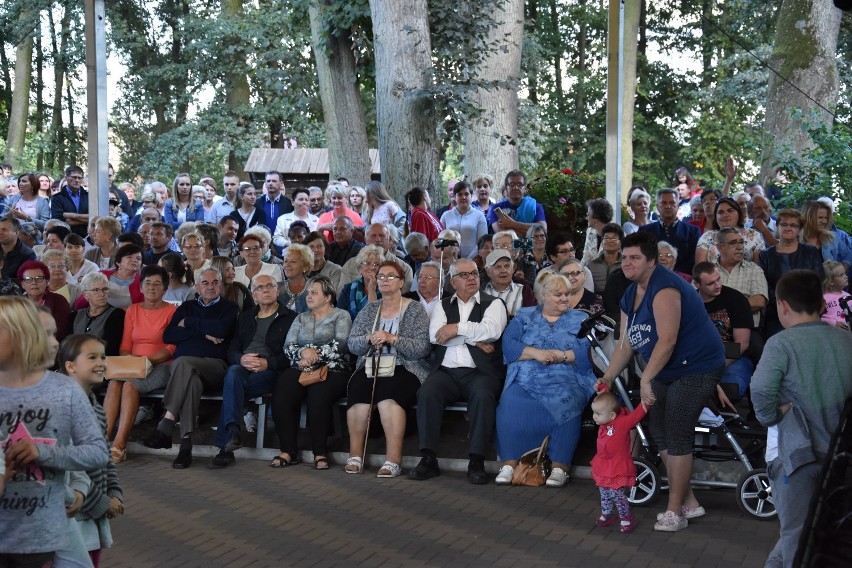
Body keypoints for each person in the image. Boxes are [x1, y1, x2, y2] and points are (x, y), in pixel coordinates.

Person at [597, 231, 725, 532]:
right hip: (666, 369)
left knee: (677, 429)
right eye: (624, 257)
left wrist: (646, 380)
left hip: (697, 367)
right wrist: (607, 377)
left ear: (652, 260)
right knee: (658, 430)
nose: (627, 263)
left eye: (635, 258)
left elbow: (667, 340)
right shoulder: (631, 293)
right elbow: (626, 343)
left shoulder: (665, 287)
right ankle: (689, 502)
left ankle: (674, 511)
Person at [751, 269, 852, 568]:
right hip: (840, 456)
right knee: (824, 530)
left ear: (782, 305)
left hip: (796, 456)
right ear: (822, 305)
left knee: (796, 534)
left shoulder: (781, 343)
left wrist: (770, 415)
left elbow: (760, 389)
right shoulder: (846, 340)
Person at [0, 297, 109, 566]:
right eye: (45, 333)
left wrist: (44, 453)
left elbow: (96, 452)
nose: (53, 342)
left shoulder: (64, 390)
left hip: (42, 530)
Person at [409, 258, 508, 484]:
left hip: (480, 372)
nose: (471, 277)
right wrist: (473, 340)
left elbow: (491, 331)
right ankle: (428, 458)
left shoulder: (494, 304)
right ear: (453, 281)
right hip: (447, 372)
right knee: (427, 392)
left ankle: (476, 460)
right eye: (464, 275)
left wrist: (456, 329)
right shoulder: (442, 305)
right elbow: (436, 336)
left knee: (483, 396)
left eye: (474, 273)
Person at [494, 271, 596, 488]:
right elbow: (509, 345)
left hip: (566, 375)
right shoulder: (524, 315)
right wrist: (536, 353)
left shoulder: (581, 319)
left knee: (567, 401)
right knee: (510, 402)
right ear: (543, 296)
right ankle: (510, 464)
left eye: (567, 294)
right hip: (526, 376)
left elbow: (587, 351)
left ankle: (560, 468)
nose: (565, 299)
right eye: (558, 294)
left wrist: (560, 356)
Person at [142, 267, 239, 469]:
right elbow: (169, 335)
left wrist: (188, 324)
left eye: (215, 283)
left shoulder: (229, 308)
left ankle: (167, 419)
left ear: (220, 285)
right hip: (188, 372)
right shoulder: (186, 307)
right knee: (191, 382)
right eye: (205, 283)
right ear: (197, 286)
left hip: (215, 367)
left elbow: (221, 329)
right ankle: (185, 447)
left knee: (182, 362)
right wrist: (203, 333)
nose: (210, 287)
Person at [345, 263, 432, 477]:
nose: (384, 280)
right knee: (358, 396)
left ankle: (393, 460)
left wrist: (393, 339)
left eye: (391, 276)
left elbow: (423, 348)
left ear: (402, 282)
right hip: (371, 364)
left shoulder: (415, 309)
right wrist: (368, 339)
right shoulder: (370, 309)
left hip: (406, 367)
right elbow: (352, 344)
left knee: (388, 399)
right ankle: (355, 455)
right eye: (381, 276)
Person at [209, 274, 297, 468]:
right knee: (233, 372)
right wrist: (241, 358)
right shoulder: (247, 316)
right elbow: (232, 348)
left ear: (277, 290)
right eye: (260, 288)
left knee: (232, 388)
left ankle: (226, 445)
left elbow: (292, 354)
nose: (265, 290)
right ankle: (232, 430)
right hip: (243, 367)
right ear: (254, 294)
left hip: (270, 371)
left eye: (270, 286)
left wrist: (269, 363)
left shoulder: (290, 318)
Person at [57, 334, 125, 566]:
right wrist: (102, 503)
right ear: (70, 366)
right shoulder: (63, 406)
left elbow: (104, 454)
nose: (101, 363)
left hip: (93, 516)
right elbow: (70, 469)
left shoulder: (94, 403)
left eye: (103, 357)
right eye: (92, 357)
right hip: (74, 515)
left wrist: (115, 492)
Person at [271, 276, 351, 469]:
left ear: (328, 297)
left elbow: (341, 344)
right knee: (282, 393)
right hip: (302, 366)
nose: (309, 296)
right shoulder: (301, 317)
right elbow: (288, 345)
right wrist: (302, 353)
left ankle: (320, 452)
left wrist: (314, 355)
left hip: (334, 368)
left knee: (318, 395)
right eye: (308, 292)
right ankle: (288, 450)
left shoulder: (341, 315)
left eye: (314, 292)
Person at [102, 265, 177, 463]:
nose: (152, 287)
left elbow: (171, 347)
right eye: (148, 283)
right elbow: (125, 345)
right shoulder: (133, 310)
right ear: (141, 288)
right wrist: (132, 361)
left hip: (162, 365)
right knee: (114, 383)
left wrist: (148, 361)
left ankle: (119, 443)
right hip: (133, 364)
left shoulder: (172, 311)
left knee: (129, 385)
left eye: (157, 284)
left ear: (165, 288)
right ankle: (102, 441)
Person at [693, 262, 755, 399]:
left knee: (730, 387)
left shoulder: (736, 299)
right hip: (697, 358)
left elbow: (742, 344)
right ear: (697, 284)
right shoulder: (688, 302)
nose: (718, 285)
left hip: (732, 357)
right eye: (710, 283)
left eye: (718, 279)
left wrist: (713, 367)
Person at [759, 209, 824, 337]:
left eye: (793, 225)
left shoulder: (810, 252)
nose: (788, 228)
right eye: (784, 224)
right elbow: (763, 285)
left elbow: (819, 281)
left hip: (808, 310)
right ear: (777, 227)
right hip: (777, 312)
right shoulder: (765, 255)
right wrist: (785, 303)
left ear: (799, 230)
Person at [590, 391, 648, 533]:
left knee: (618, 495)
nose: (594, 416)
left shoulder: (622, 423)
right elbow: (607, 398)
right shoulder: (605, 422)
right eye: (594, 412)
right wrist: (602, 386)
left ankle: (626, 517)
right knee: (604, 492)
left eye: (598, 414)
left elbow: (636, 416)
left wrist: (646, 402)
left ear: (612, 415)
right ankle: (607, 513)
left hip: (617, 466)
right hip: (603, 465)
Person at [714, 227, 768, 328]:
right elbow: (695, 300)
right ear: (720, 247)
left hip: (748, 327)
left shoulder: (754, 269)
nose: (740, 247)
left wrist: (720, 309)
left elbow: (759, 301)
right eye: (733, 243)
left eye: (741, 242)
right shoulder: (708, 270)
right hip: (713, 329)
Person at [337, 223, 414, 293]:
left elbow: (403, 297)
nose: (378, 239)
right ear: (366, 240)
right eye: (373, 236)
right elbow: (341, 294)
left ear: (388, 239)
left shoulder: (404, 268)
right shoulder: (351, 264)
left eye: (382, 235)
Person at [638, 188, 700, 273]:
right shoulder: (644, 231)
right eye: (663, 203)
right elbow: (641, 258)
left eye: (672, 203)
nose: (668, 206)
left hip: (683, 280)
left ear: (678, 205)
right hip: (652, 278)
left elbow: (694, 260)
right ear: (657, 206)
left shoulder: (693, 231)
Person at [695, 197, 765, 265]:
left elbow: (759, 269)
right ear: (716, 216)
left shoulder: (754, 235)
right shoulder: (707, 237)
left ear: (738, 213)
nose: (725, 215)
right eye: (720, 212)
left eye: (730, 210)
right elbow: (700, 269)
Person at [71, 272, 126, 357]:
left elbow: (110, 349)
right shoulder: (75, 315)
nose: (102, 294)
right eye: (96, 290)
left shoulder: (117, 315)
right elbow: (67, 344)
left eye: (105, 289)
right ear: (85, 295)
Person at [19, 259, 72, 340]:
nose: (34, 283)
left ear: (47, 281)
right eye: (28, 279)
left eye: (39, 278)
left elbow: (60, 333)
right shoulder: (18, 304)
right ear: (22, 284)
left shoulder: (59, 301)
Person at [440, 181, 487, 259]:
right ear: (455, 197)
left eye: (466, 194)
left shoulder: (479, 216)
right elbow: (440, 239)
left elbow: (482, 242)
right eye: (460, 194)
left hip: (473, 260)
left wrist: (469, 259)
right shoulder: (446, 215)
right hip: (450, 260)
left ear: (471, 196)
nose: (463, 197)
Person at [482, 249, 535, 317]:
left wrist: (509, 319)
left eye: (507, 266)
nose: (503, 270)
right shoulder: (480, 292)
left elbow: (532, 319)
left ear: (513, 269)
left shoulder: (525, 290)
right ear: (488, 271)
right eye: (498, 267)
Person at [338, 245, 384, 320]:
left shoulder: (385, 289)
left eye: (377, 264)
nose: (372, 267)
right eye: (368, 263)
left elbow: (374, 316)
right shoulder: (348, 289)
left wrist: (372, 289)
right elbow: (340, 315)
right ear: (360, 268)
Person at [801, 200, 852, 268]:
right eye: (820, 218)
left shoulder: (832, 238)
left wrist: (838, 273)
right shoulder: (796, 239)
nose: (824, 221)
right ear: (808, 217)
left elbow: (848, 256)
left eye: (826, 218)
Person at [99, 243, 145, 309]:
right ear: (118, 262)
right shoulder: (102, 275)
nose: (135, 260)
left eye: (138, 259)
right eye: (129, 257)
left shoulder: (143, 281)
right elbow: (86, 298)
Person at [51, 165, 90, 236]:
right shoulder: (57, 198)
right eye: (74, 177)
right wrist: (85, 220)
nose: (77, 180)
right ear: (66, 178)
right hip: (65, 237)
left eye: (79, 178)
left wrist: (69, 215)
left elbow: (93, 217)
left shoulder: (89, 197)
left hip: (86, 236)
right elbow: (58, 221)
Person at [587, 223, 623, 294]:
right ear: (602, 242)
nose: (610, 240)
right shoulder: (591, 265)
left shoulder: (626, 264)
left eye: (614, 238)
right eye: (606, 238)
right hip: (596, 302)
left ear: (620, 243)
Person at [278, 243, 313, 313]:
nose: (287, 265)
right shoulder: (276, 288)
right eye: (286, 261)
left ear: (305, 267)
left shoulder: (315, 288)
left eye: (293, 262)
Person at [0, 216, 36, 280]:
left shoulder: (28, 254)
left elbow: (24, 281)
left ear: (17, 233)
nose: (0, 232)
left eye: (4, 229)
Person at [582, 198, 614, 264]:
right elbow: (585, 259)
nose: (586, 218)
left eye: (588, 215)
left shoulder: (617, 236)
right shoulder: (590, 232)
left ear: (596, 219)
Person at [821, 259, 850, 329]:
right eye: (841, 275)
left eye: (845, 273)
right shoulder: (824, 298)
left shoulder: (848, 296)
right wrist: (833, 323)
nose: (846, 276)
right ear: (831, 281)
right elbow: (817, 318)